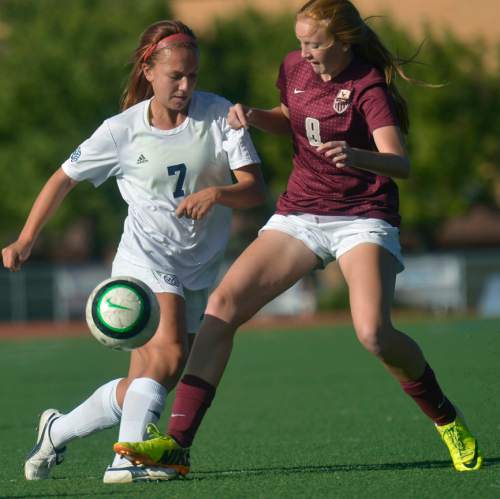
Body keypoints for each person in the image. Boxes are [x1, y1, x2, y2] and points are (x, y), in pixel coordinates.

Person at [114, 0, 483, 476]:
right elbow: (292, 117)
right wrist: (253, 116)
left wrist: (357, 155)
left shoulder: (368, 87)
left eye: (315, 44)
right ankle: (177, 446)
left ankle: (447, 418)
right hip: (302, 213)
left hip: (361, 218)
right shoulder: (293, 66)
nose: (304, 52)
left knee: (374, 333)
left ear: (343, 42)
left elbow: (400, 162)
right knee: (221, 307)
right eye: (300, 41)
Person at [1, 20, 265, 484]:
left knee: (153, 377)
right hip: (145, 259)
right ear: (148, 70)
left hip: (197, 269)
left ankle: (56, 431)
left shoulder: (221, 115)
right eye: (175, 76)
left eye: (193, 76)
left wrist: (217, 194)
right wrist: (26, 238)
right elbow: (64, 178)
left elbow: (253, 190)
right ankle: (126, 458)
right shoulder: (121, 131)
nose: (186, 86)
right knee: (166, 357)